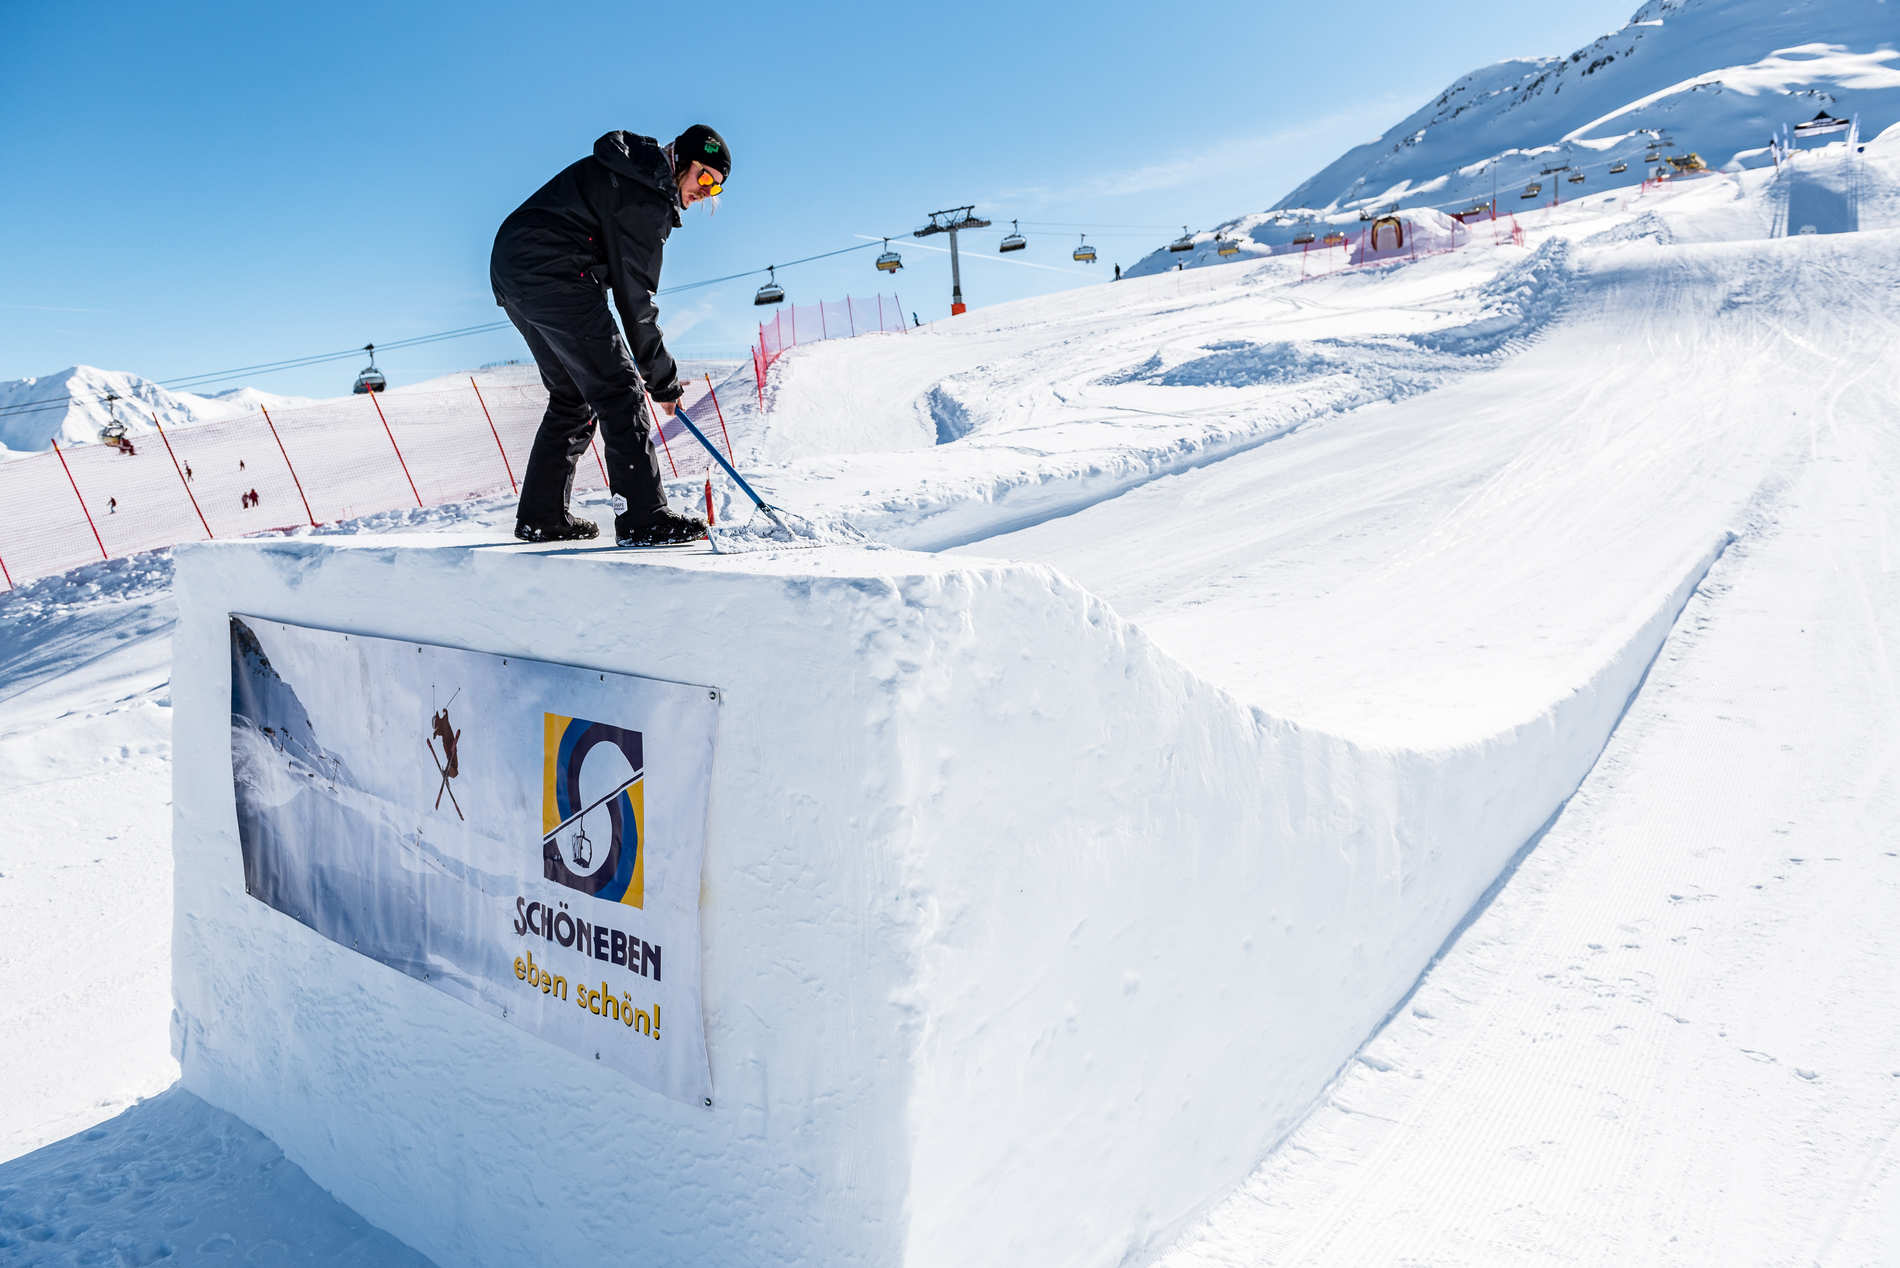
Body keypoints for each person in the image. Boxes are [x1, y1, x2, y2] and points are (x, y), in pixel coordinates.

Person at [490, 125, 729, 547]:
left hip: (515, 265)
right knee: (619, 390)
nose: (706, 192)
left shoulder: (635, 175)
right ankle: (643, 518)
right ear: (681, 160)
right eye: (704, 177)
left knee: (572, 395)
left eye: (717, 189)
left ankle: (542, 516)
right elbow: (636, 301)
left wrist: (658, 376)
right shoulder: (644, 193)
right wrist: (661, 380)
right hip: (552, 267)